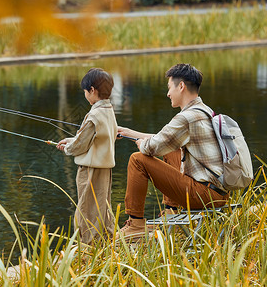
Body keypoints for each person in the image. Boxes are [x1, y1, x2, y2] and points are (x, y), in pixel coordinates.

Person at [117, 63, 229, 239]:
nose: (168, 93)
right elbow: (166, 140)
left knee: (137, 159)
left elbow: (152, 146)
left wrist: (141, 144)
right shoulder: (204, 111)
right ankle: (171, 213)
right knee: (172, 149)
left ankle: (136, 224)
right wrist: (129, 133)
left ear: (181, 86)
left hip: (203, 195)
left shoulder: (186, 117)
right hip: (219, 193)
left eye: (170, 87)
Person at [57, 68, 118, 244]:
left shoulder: (94, 115)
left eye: (85, 91)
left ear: (92, 90)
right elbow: (94, 138)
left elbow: (80, 144)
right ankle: (107, 241)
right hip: (105, 169)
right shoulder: (108, 110)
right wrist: (72, 140)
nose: (85, 95)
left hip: (90, 170)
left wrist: (68, 148)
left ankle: (88, 246)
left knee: (86, 208)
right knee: (102, 206)